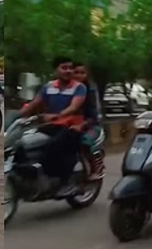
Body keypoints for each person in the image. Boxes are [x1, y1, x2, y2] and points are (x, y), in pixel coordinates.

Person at [20, 57, 87, 196]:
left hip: (72, 126)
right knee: (24, 142)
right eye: (64, 68)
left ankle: (65, 182)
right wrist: (21, 113)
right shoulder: (49, 87)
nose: (68, 71)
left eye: (70, 68)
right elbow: (35, 102)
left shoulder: (79, 87)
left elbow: (74, 107)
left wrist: (58, 115)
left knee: (53, 145)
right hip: (51, 125)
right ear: (56, 70)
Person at [72, 62, 104, 180]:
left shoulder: (90, 90)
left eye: (82, 73)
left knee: (85, 142)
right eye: (76, 72)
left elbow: (94, 115)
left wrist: (83, 124)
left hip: (90, 125)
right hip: (69, 124)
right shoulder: (67, 89)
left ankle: (95, 168)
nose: (79, 75)